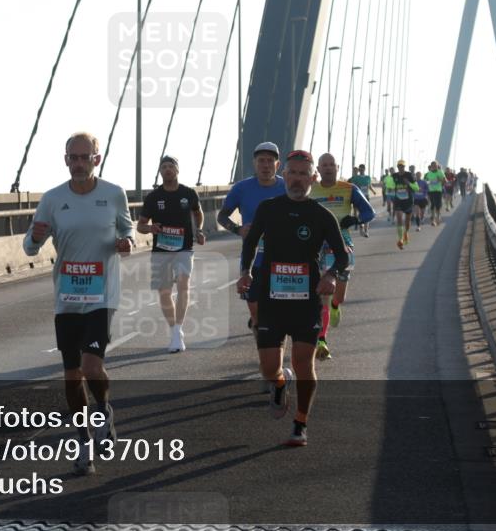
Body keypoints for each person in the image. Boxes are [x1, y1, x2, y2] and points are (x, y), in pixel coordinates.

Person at [23, 132, 135, 476]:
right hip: (68, 297)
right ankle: (84, 441)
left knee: (90, 367)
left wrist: (126, 242)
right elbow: (29, 247)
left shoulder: (113, 194)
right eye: (73, 157)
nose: (79, 163)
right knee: (71, 375)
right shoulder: (53, 199)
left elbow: (128, 230)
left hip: (102, 295)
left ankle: (103, 408)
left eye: (85, 157)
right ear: (66, 159)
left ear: (96, 159)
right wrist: (38, 236)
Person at [236, 150, 349, 447]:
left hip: (306, 301)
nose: (297, 179)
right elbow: (250, 243)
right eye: (292, 173)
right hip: (271, 300)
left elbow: (342, 256)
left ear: (312, 178)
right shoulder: (268, 208)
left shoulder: (321, 215)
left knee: (304, 364)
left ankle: (300, 424)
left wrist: (331, 276)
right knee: (268, 368)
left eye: (303, 174)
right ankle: (279, 383)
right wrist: (245, 272)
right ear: (283, 175)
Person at [310, 153, 375, 360]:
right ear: (318, 170)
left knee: (338, 297)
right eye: (324, 165)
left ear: (337, 168)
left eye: (331, 165)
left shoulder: (349, 189)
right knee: (323, 297)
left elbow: (369, 212)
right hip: (317, 247)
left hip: (342, 247)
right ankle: (322, 340)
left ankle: (336, 306)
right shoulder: (310, 190)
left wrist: (354, 220)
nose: (328, 168)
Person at [137, 155, 204, 353]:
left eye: (170, 166)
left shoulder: (188, 193)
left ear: (177, 170)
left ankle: (178, 330)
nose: (167, 169)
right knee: (164, 291)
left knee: (183, 284)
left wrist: (198, 230)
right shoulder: (153, 197)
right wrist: (150, 229)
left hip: (183, 248)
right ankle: (174, 328)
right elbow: (140, 226)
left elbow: (197, 212)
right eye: (164, 167)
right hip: (161, 250)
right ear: (160, 171)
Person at [217, 142, 286, 336]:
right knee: (257, 315)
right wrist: (238, 229)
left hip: (282, 260)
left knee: (279, 316)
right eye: (261, 161)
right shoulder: (241, 188)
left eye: (270, 161)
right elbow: (222, 216)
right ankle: (259, 333)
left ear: (277, 164)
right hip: (253, 260)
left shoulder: (286, 186)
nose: (266, 165)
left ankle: (273, 360)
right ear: (254, 164)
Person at [391, 159, 417, 249]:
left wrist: (408, 183)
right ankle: (400, 239)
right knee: (399, 218)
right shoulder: (394, 176)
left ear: (404, 167)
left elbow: (416, 187)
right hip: (398, 201)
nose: (401, 168)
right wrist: (389, 186)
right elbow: (390, 185)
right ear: (397, 167)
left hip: (408, 201)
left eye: (402, 166)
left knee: (407, 221)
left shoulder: (409, 175)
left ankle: (406, 233)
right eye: (399, 166)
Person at [347, 163, 375, 237]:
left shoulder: (368, 177)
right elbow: (352, 185)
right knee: (359, 213)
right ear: (359, 169)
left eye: (362, 168)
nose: (361, 169)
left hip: (366, 196)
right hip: (358, 198)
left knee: (367, 212)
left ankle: (366, 230)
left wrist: (373, 191)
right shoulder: (356, 178)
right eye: (360, 168)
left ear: (364, 169)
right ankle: (361, 228)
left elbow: (369, 185)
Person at [424, 161, 445, 226]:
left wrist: (441, 182)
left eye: (435, 165)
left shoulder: (440, 172)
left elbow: (444, 180)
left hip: (438, 190)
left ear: (437, 165)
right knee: (432, 205)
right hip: (431, 191)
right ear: (431, 166)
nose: (434, 166)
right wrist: (427, 182)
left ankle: (438, 216)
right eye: (432, 165)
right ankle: (433, 220)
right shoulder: (428, 173)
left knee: (437, 205)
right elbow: (425, 181)